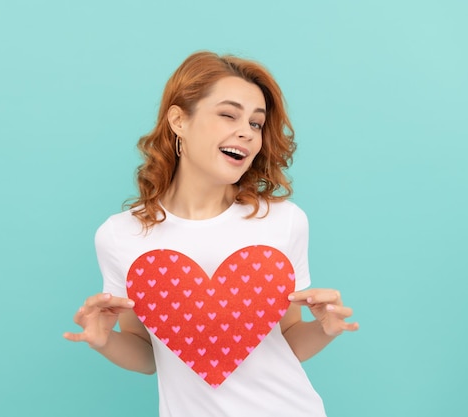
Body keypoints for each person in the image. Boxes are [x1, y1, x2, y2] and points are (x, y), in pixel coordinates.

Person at [63, 51, 359, 416]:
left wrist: (324, 329)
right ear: (178, 120)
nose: (246, 132)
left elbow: (284, 341)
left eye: (256, 123)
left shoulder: (283, 221)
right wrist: (104, 341)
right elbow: (148, 353)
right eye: (228, 114)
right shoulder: (121, 235)